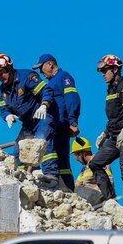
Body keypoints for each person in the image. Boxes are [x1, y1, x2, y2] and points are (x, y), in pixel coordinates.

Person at [0, 52, 60, 186]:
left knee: (42, 141)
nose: (0, 77)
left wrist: (44, 105)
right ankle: (27, 177)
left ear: (9, 68)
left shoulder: (26, 77)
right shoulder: (3, 90)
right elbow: (3, 108)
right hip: (27, 124)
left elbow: (46, 91)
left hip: (43, 117)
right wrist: (7, 116)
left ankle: (51, 175)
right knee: (18, 150)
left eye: (1, 73)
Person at [88, 54, 123, 213]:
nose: (103, 74)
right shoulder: (110, 89)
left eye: (105, 70)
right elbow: (115, 117)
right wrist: (105, 133)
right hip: (114, 135)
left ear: (115, 69)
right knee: (95, 163)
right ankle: (110, 202)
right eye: (102, 71)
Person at [32, 54, 81, 191]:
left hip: (62, 122)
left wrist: (73, 121)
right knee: (61, 156)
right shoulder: (52, 81)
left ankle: (55, 179)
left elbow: (72, 99)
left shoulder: (63, 77)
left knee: (51, 148)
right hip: (58, 123)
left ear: (50, 64)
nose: (41, 72)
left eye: (41, 68)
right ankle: (67, 189)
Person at [71, 137, 114, 206]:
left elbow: (109, 181)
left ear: (82, 153)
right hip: (91, 198)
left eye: (76, 155)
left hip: (100, 197)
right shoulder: (84, 170)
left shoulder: (100, 162)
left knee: (75, 192)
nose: (76, 159)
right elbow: (76, 185)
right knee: (71, 190)